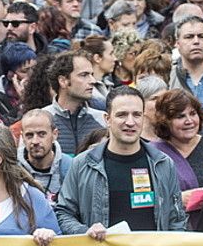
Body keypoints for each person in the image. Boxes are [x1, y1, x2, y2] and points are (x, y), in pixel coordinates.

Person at [54, 86, 187, 238]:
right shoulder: (82, 164)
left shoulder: (163, 163)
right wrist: (85, 231)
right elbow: (64, 213)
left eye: (136, 115)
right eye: (122, 115)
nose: (130, 122)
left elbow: (176, 220)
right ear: (107, 119)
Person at [149, 88, 203, 192]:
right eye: (180, 116)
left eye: (192, 114)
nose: (189, 121)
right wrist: (179, 199)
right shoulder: (154, 154)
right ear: (165, 121)